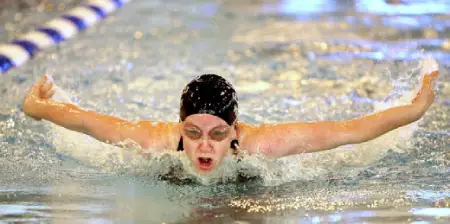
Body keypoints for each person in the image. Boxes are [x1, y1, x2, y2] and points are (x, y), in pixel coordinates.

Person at [22, 70, 439, 175]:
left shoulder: (262, 146)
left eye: (218, 134)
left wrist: (416, 109)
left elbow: (351, 131)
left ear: (235, 130)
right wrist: (37, 107)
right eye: (194, 133)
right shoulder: (153, 141)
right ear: (179, 125)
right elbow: (87, 122)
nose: (205, 147)